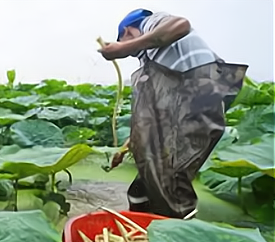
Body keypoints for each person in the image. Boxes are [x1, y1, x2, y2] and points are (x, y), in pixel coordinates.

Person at [98, 9, 248, 218]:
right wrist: (127, 147)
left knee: (171, 182)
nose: (133, 53)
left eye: (125, 40)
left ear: (128, 30)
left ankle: (176, 239)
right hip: (185, 108)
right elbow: (152, 117)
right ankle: (144, 233)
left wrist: (124, 47)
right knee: (143, 188)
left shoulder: (150, 22)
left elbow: (181, 25)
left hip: (196, 99)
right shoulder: (155, 56)